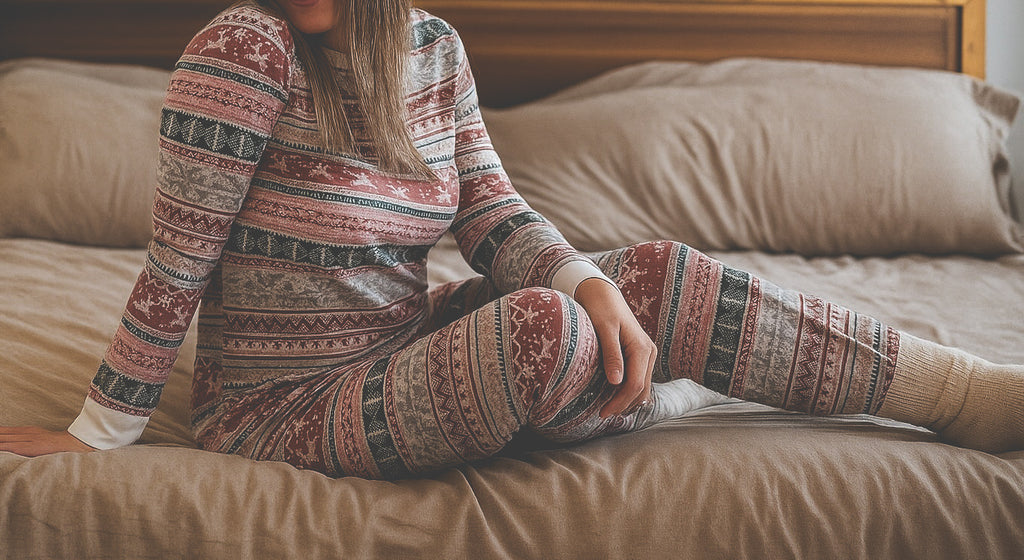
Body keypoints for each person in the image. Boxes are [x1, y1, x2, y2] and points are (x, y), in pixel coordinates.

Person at [0, 0, 1021, 479]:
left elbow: (490, 214)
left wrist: (586, 278)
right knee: (547, 333)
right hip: (279, 406)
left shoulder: (435, 51)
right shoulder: (242, 49)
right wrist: (98, 433)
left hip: (401, 347)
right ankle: (674, 390)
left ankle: (962, 393)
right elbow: (176, 261)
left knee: (644, 277)